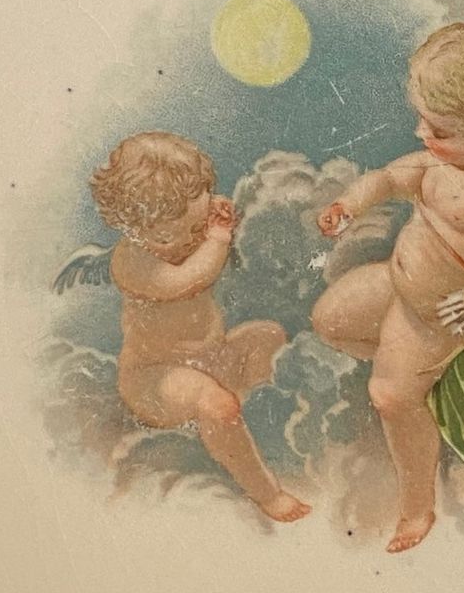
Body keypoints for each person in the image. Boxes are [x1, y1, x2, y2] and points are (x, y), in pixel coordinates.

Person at [311, 20, 464, 552]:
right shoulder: (431, 163)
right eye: (421, 119)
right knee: (328, 320)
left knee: (389, 396)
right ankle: (426, 380)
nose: (422, 134)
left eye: (439, 129)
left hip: (438, 317)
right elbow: (384, 179)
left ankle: (417, 506)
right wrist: (349, 204)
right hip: (396, 287)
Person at [86, 130, 310, 524]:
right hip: (156, 378)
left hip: (211, 357)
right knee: (217, 405)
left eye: (198, 219)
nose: (195, 234)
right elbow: (189, 279)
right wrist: (218, 237)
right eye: (183, 228)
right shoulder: (132, 261)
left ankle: (250, 430)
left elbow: (199, 234)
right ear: (143, 224)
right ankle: (267, 492)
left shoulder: (176, 233)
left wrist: (212, 223)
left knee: (269, 336)